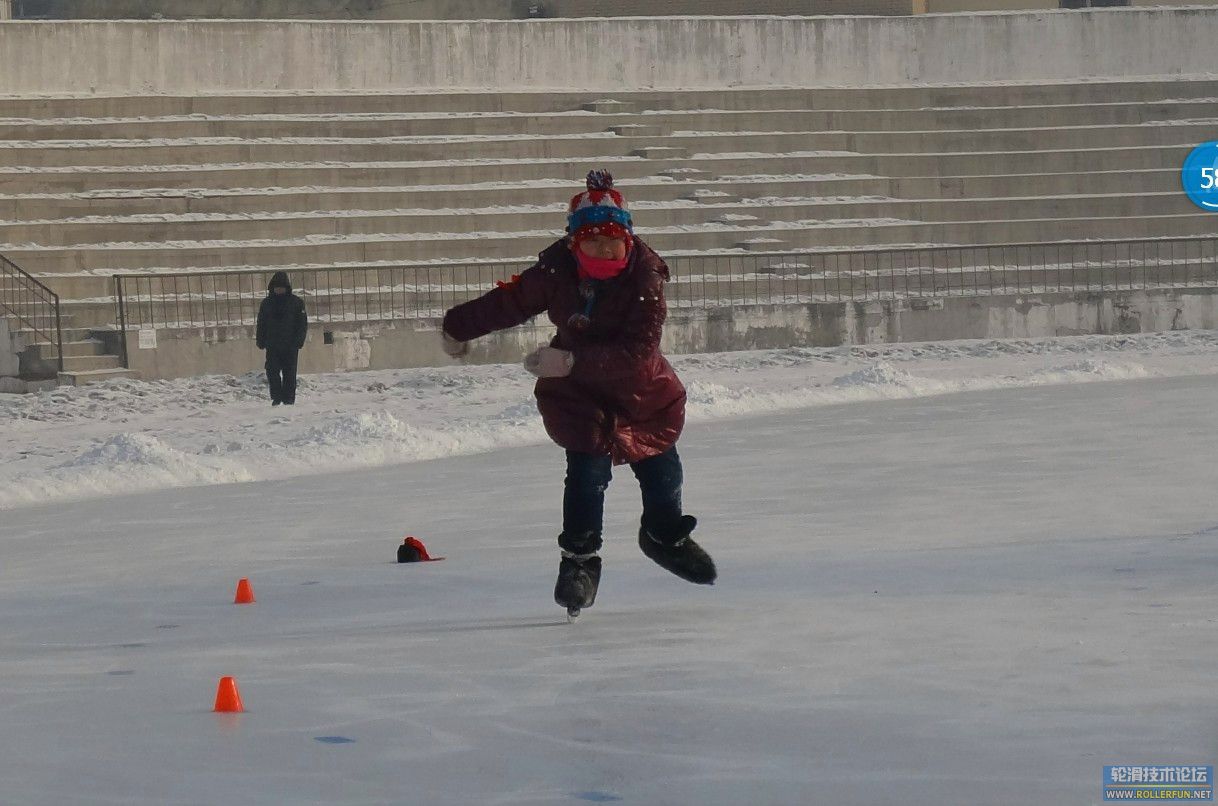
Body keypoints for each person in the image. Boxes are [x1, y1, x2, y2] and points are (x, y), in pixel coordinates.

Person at [441, 169, 716, 617]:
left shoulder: (646, 278)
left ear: (629, 240)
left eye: (613, 242)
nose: (604, 250)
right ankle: (579, 562)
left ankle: (664, 536)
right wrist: (458, 326)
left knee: (663, 472)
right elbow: (510, 301)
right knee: (587, 476)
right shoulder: (557, 271)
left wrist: (568, 361)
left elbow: (638, 353)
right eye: (593, 242)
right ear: (574, 244)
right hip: (581, 399)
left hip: (641, 395)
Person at [255, 270, 307, 406]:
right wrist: (260, 340)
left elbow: (302, 324)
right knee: (272, 372)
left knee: (289, 374)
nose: (279, 290)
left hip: (290, 345)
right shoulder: (266, 303)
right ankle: (276, 397)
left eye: (281, 287)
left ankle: (289, 399)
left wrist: (299, 341)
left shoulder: (296, 303)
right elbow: (261, 323)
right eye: (276, 287)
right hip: (272, 345)